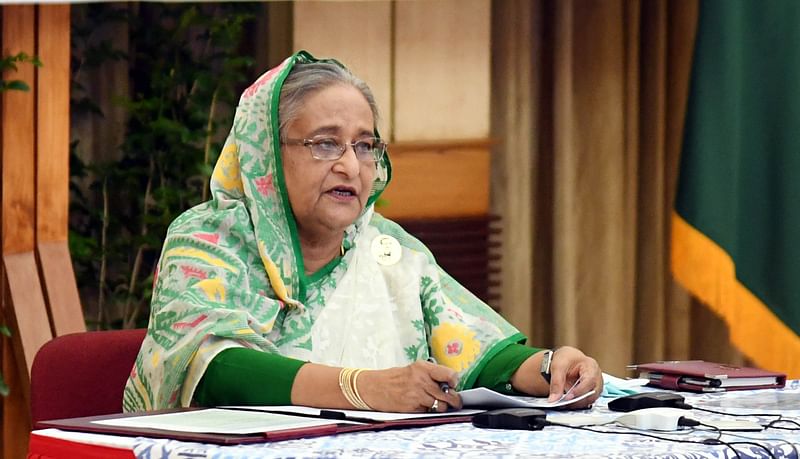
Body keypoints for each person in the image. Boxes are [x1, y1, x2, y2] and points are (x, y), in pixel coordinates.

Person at [123, 51, 602, 414]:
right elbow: (213, 370)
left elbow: (475, 352)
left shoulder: (388, 250)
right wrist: (365, 388)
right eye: (325, 143)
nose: (350, 165)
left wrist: (552, 369)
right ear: (265, 154)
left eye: (365, 145)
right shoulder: (206, 239)